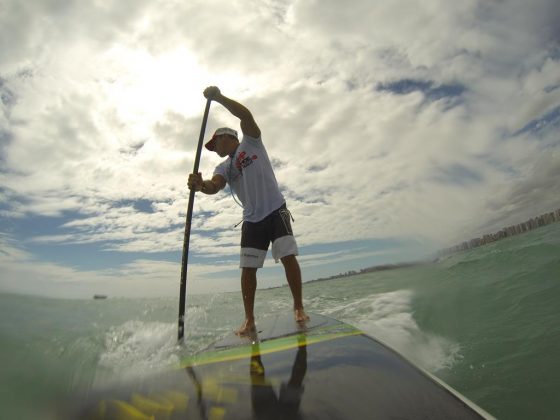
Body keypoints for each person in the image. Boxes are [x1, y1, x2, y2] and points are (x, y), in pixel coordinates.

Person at [188, 86, 309, 335]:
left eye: (215, 143)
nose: (214, 148)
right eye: (210, 147)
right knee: (248, 269)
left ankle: (298, 307)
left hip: (276, 210)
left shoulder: (251, 142)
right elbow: (215, 186)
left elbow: (245, 116)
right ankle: (249, 319)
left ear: (227, 136)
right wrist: (200, 186)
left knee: (287, 256)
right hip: (252, 220)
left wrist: (219, 98)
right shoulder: (224, 167)